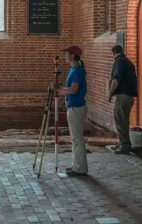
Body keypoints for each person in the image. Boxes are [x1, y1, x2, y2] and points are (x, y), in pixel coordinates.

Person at [57, 45, 88, 176]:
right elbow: (69, 88)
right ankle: (76, 165)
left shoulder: (77, 71)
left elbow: (74, 90)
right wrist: (62, 89)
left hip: (76, 107)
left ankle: (80, 168)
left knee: (77, 139)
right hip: (72, 106)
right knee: (75, 138)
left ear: (73, 55)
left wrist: (60, 91)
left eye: (67, 54)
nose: (65, 56)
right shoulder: (73, 69)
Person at [107, 45, 138, 154]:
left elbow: (116, 80)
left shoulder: (118, 62)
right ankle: (122, 143)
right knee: (124, 121)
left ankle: (124, 145)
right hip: (130, 96)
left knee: (120, 120)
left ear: (113, 53)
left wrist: (110, 94)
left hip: (122, 96)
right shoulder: (128, 62)